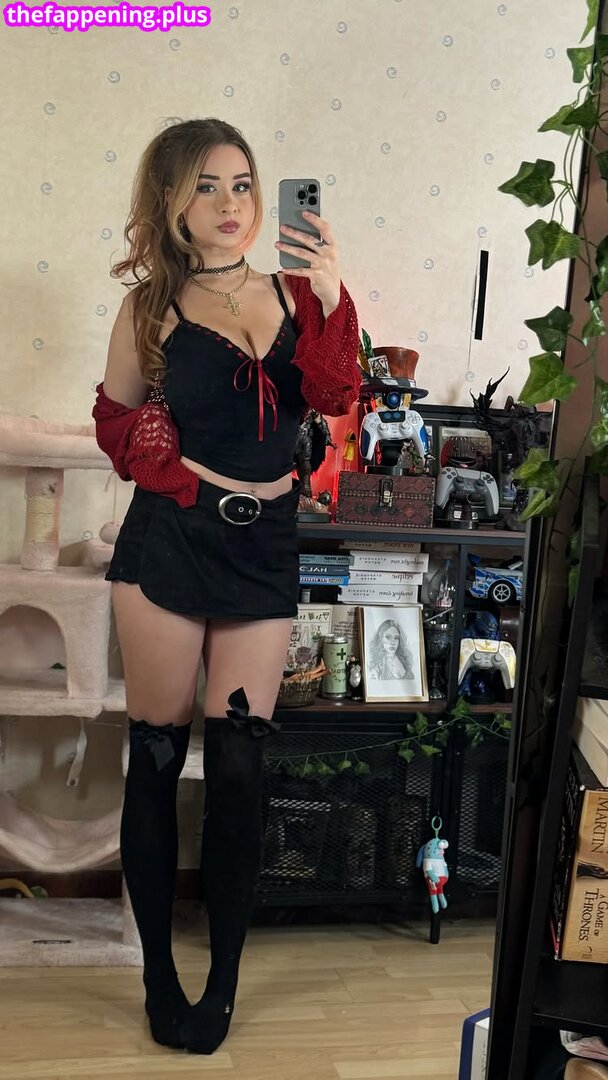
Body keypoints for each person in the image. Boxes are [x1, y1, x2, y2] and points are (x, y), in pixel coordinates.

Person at [92, 117, 361, 1055]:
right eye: (205, 186)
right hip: (170, 542)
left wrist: (331, 291)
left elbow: (334, 396)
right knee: (157, 757)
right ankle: (159, 979)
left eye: (242, 184)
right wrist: (169, 467)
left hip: (265, 546)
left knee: (242, 766)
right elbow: (114, 421)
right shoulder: (148, 307)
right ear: (171, 201)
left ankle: (224, 983)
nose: (230, 204)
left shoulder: (297, 291)